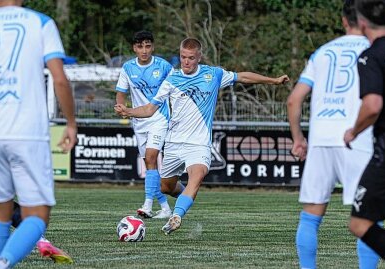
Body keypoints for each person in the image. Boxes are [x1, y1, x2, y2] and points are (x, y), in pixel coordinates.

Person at [115, 37, 289, 235]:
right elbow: (149, 109)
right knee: (165, 187)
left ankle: (177, 215)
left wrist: (273, 81)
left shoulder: (213, 74)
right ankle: (186, 198)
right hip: (174, 143)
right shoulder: (171, 80)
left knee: (196, 178)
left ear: (199, 57)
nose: (186, 62)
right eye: (182, 57)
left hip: (199, 143)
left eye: (190, 58)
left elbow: (243, 77)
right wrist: (127, 111)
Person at [287, 1, 380, 268]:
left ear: (343, 21)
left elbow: (294, 100)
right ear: (365, 21)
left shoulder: (322, 52)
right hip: (359, 138)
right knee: (368, 219)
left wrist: (298, 138)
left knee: (310, 217)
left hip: (321, 139)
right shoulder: (373, 50)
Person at [0, 0, 77, 268]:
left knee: (2, 213)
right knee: (38, 215)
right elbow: (59, 78)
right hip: (26, 132)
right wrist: (71, 123)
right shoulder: (40, 22)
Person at [343, 0, 385, 267]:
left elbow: (373, 105)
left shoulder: (371, 56)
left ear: (362, 23)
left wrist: (354, 131)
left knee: (359, 222)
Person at [115, 30, 173, 219]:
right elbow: (121, 92)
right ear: (134, 48)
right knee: (150, 168)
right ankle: (165, 208)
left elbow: (177, 88)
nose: (144, 50)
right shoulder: (127, 68)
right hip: (138, 121)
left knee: (151, 158)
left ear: (152, 47)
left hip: (159, 118)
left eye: (148, 46)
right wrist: (121, 107)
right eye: (140, 46)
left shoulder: (164, 66)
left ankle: (147, 205)